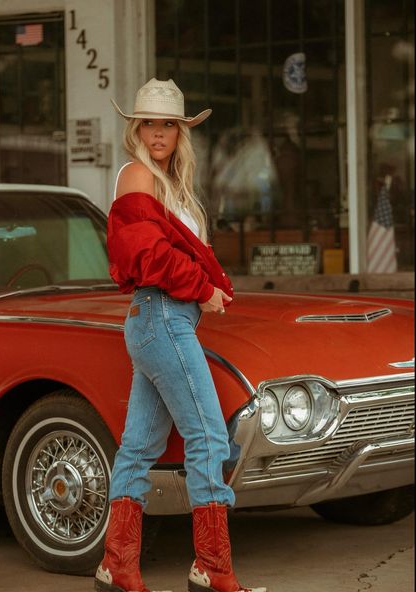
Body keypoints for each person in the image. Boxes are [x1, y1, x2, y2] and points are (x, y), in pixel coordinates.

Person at [94, 78, 266, 592]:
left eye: (168, 124)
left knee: (138, 448)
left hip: (165, 319)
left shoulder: (174, 185)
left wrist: (210, 286)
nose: (159, 133)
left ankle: (114, 566)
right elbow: (146, 255)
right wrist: (203, 289)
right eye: (149, 123)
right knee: (210, 436)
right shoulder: (135, 178)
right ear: (136, 129)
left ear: (180, 131)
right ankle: (212, 568)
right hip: (162, 314)